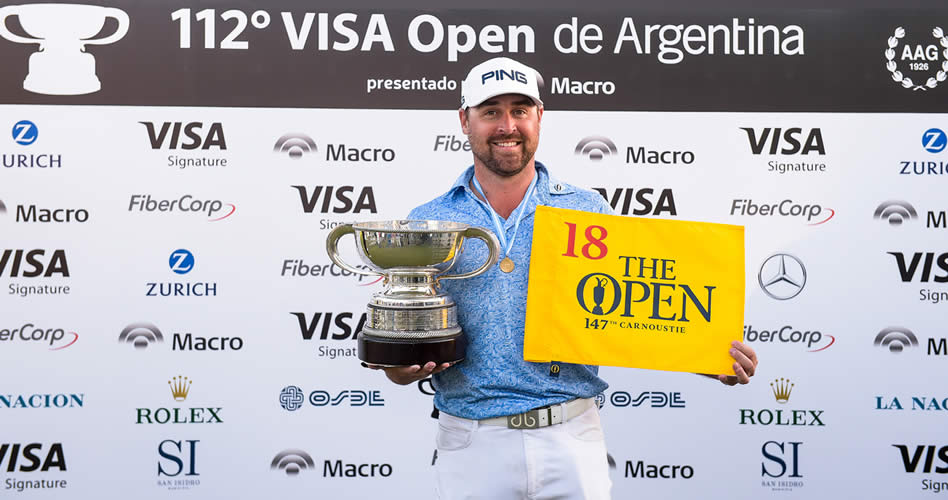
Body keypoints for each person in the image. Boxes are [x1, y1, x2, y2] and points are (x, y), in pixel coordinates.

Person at [368, 56, 758, 499]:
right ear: (464, 120)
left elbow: (624, 314)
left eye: (520, 109)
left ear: (539, 117)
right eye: (491, 111)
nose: (507, 125)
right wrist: (400, 368)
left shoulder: (585, 210)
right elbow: (407, 342)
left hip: (571, 435)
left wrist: (704, 353)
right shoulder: (429, 220)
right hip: (471, 439)